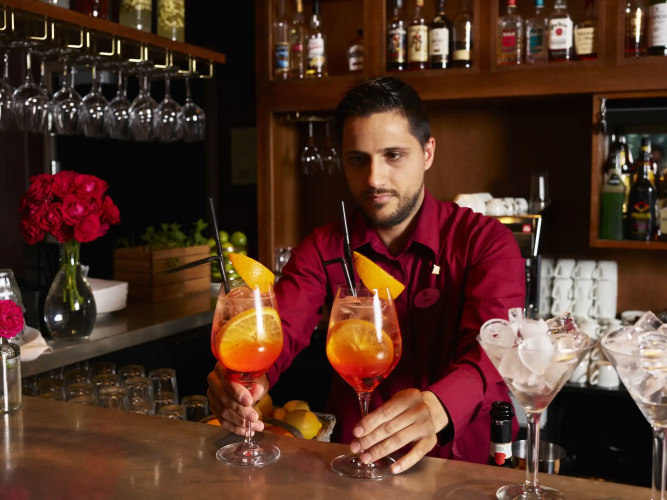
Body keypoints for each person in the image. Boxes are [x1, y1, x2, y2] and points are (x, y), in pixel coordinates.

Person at [207, 76, 525, 473]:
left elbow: (496, 349)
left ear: (427, 152)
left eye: (393, 155)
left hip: (467, 465)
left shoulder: (485, 241)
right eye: (358, 159)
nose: (374, 178)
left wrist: (439, 406)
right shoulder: (323, 248)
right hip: (353, 460)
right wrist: (246, 381)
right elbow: (279, 327)